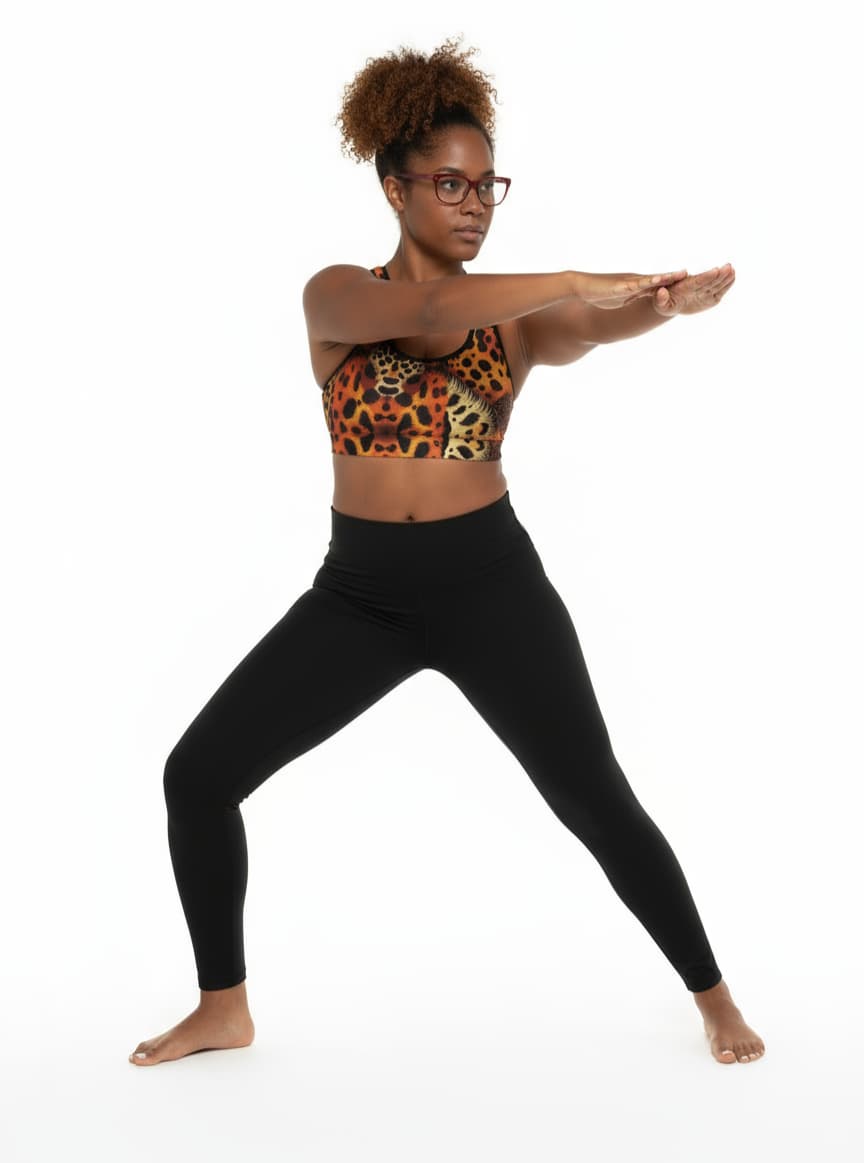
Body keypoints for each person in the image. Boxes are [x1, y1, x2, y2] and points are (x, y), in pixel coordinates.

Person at [130, 36, 764, 1068]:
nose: (474, 204)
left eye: (488, 186)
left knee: (593, 793)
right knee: (198, 774)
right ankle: (223, 1003)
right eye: (451, 184)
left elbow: (590, 328)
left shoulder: (516, 325)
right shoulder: (337, 296)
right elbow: (424, 311)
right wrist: (571, 274)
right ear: (394, 189)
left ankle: (716, 995)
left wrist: (658, 306)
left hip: (488, 585)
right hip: (359, 597)